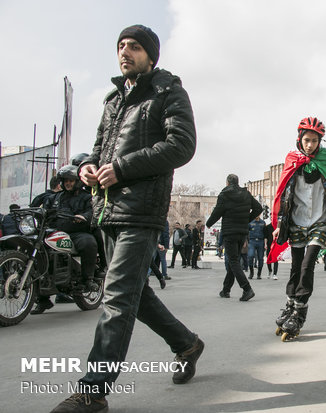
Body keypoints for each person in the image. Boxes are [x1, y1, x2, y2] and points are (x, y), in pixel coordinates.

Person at [50, 25, 204, 412]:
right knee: (138, 294)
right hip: (108, 210)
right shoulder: (113, 99)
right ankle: (187, 343)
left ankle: (92, 391)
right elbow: (99, 148)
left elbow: (182, 144)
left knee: (117, 297)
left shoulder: (167, 90)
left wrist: (122, 168)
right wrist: (87, 166)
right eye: (121, 46)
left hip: (142, 212)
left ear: (150, 56)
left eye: (134, 47)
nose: (125, 52)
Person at [269, 116, 326, 339]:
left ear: (321, 142)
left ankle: (300, 312)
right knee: (296, 266)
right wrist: (279, 223)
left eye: (314, 141)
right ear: (299, 139)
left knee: (308, 265)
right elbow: (282, 194)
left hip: (319, 220)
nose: (310, 145)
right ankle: (290, 305)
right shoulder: (292, 159)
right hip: (297, 221)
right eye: (306, 140)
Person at [31, 164, 99, 315]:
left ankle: (88, 279)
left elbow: (92, 211)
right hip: (54, 232)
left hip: (76, 232)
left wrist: (84, 217)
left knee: (89, 243)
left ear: (77, 181)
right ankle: (42, 299)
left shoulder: (87, 197)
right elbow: (43, 211)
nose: (68, 183)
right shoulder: (54, 197)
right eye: (65, 180)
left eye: (71, 180)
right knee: (38, 255)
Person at [206, 174, 262, 301]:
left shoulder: (224, 194)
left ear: (227, 182)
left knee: (233, 261)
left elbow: (217, 211)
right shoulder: (246, 194)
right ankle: (226, 290)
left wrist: (209, 223)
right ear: (237, 182)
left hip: (230, 232)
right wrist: (246, 220)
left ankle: (247, 289)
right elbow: (258, 208)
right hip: (242, 232)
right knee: (234, 260)